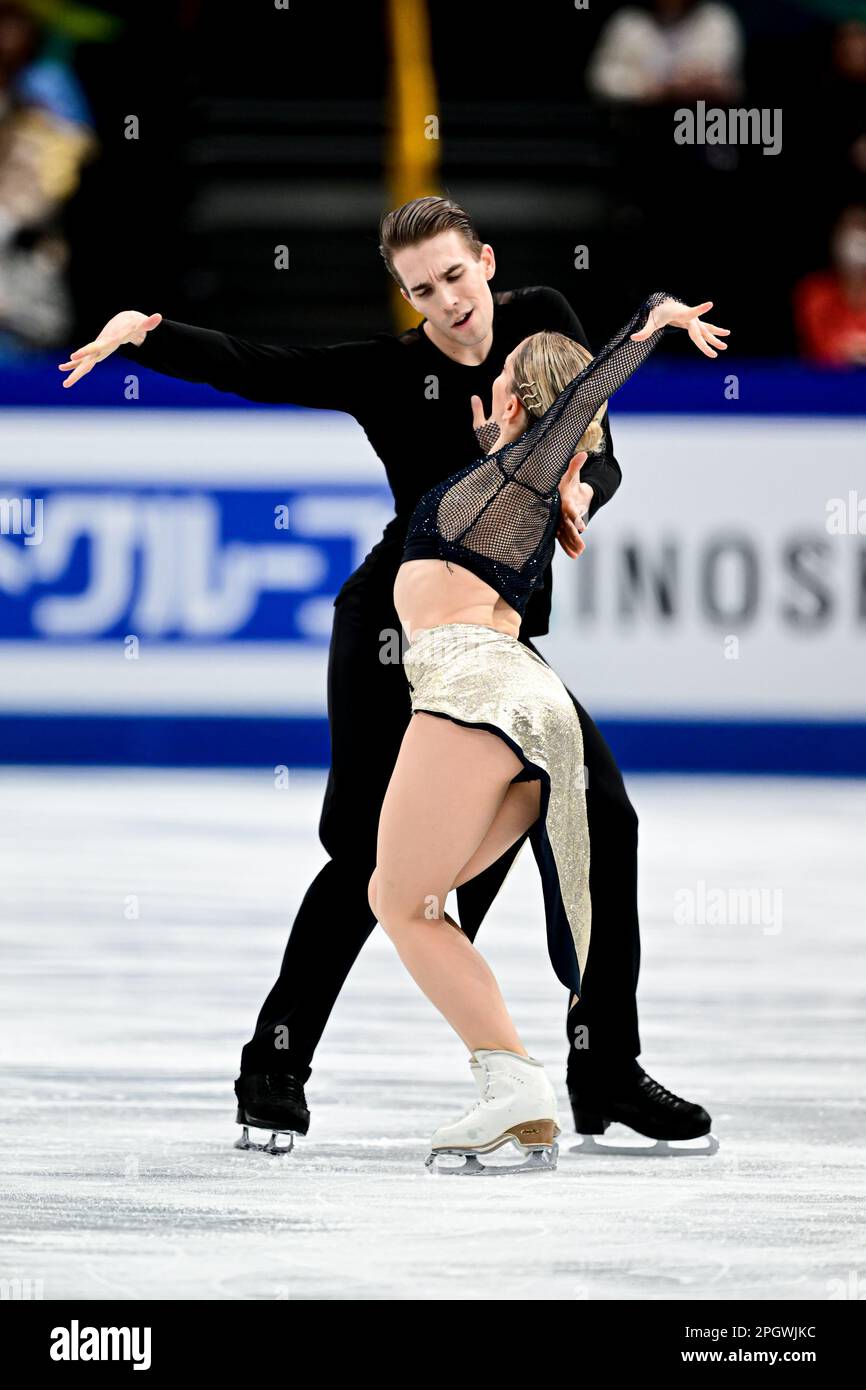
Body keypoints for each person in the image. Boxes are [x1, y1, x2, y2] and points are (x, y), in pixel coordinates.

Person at [58, 195, 716, 1156]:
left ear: (485, 263)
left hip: (497, 640)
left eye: (455, 275)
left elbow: (594, 433)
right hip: (395, 632)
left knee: (599, 819)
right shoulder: (389, 372)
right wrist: (147, 336)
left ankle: (602, 1065)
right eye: (421, 289)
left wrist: (581, 488)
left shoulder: (541, 322)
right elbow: (265, 368)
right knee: (366, 854)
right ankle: (274, 1070)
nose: (446, 301)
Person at [369, 290, 727, 1170]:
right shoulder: (518, 490)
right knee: (423, 897)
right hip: (526, 705)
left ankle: (513, 1087)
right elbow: (568, 424)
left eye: (498, 386)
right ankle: (529, 1087)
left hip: (475, 692)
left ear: (523, 403)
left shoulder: (519, 474)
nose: (482, 395)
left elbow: (577, 403)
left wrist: (649, 323)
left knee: (398, 900)